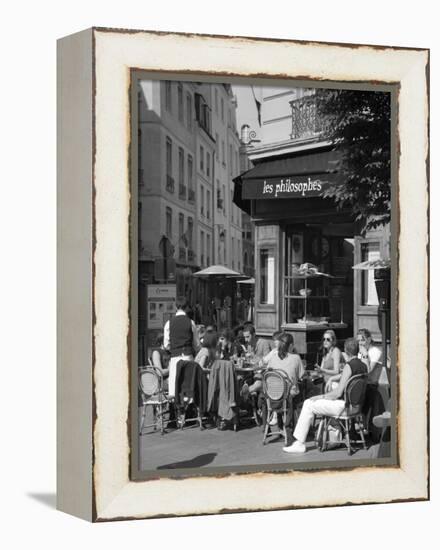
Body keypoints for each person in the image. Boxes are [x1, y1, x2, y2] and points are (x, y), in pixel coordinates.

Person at [282, 337, 367, 453]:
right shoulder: (363, 366)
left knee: (308, 403)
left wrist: (319, 397)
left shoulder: (349, 366)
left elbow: (337, 393)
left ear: (346, 351)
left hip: (345, 408)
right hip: (356, 407)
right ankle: (300, 441)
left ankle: (299, 443)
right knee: (312, 402)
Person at [264, 332, 304, 439]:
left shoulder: (273, 358)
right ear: (290, 346)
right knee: (303, 390)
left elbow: (268, 372)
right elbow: (302, 376)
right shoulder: (296, 358)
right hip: (287, 398)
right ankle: (296, 428)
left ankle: (272, 427)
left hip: (272, 398)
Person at [163, 298, 200, 398]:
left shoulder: (168, 323)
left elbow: (166, 344)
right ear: (187, 307)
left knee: (174, 383)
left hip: (175, 357)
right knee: (189, 382)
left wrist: (174, 347)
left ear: (176, 307)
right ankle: (188, 404)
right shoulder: (191, 323)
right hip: (188, 356)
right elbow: (196, 345)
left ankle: (174, 405)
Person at [357, 328, 386, 443]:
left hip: (374, 385)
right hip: (363, 384)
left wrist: (364, 355)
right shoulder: (361, 352)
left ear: (369, 339)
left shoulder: (375, 351)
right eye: (358, 340)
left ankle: (370, 430)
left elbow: (368, 371)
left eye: (362, 340)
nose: (360, 343)